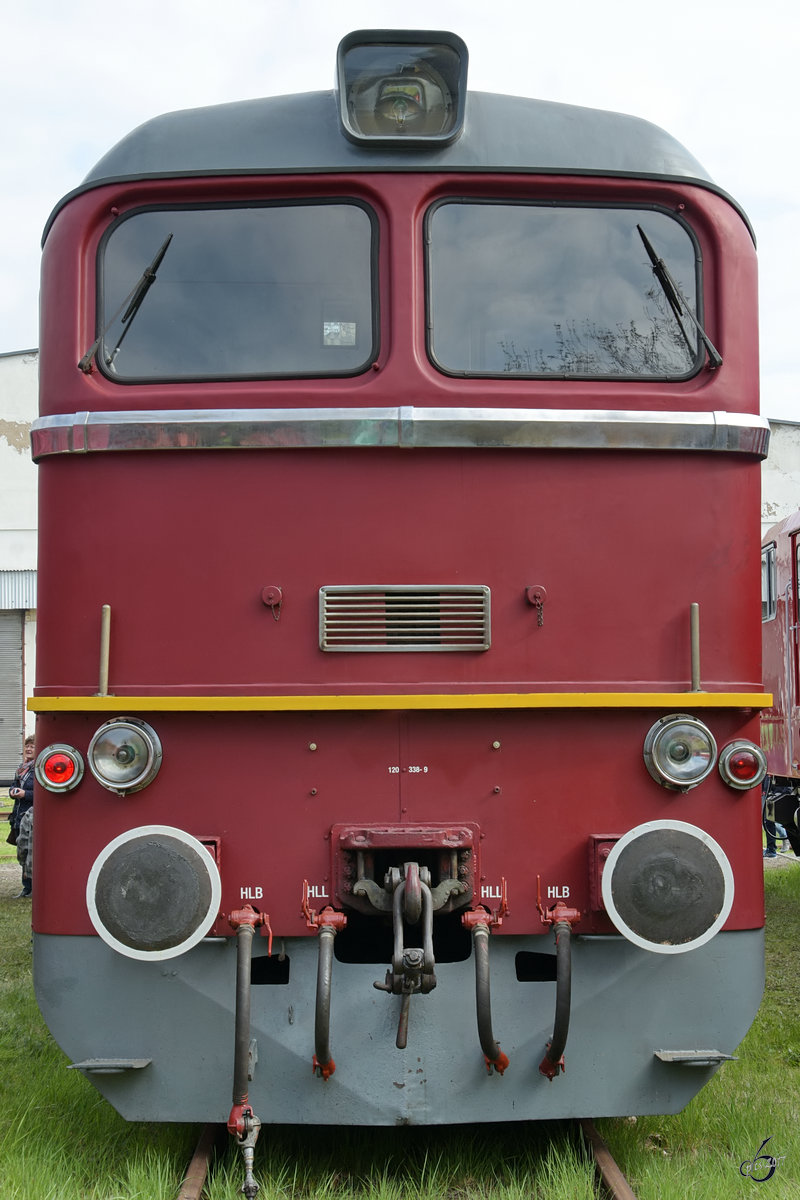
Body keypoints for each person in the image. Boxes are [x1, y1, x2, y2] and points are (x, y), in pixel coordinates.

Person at [8, 735, 35, 897]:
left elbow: (42, 794)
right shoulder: (21, 769)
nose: (29, 749)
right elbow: (14, 785)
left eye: (32, 746)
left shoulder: (38, 769)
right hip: (18, 816)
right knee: (21, 850)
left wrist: (25, 794)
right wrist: (13, 792)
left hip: (31, 816)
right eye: (27, 746)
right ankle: (26, 887)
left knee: (30, 851)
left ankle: (33, 888)